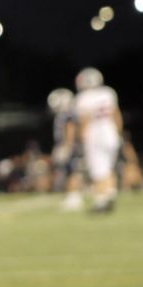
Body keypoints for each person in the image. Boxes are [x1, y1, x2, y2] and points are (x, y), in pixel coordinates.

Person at [73, 67, 123, 214]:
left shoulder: (83, 98)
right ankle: (110, 194)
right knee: (108, 167)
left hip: (95, 133)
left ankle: (102, 200)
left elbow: (85, 120)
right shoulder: (108, 92)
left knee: (99, 168)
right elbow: (116, 115)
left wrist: (82, 139)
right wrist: (118, 133)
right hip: (111, 131)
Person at [47, 87, 84, 211]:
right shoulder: (67, 113)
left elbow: (70, 128)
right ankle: (71, 195)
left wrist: (67, 146)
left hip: (71, 146)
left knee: (72, 170)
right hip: (68, 145)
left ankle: (74, 197)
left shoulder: (68, 114)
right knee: (68, 171)